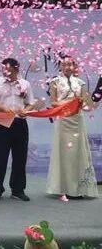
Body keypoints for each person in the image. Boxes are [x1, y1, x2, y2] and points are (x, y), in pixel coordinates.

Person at [0, 57, 36, 202]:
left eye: (8, 69)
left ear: (16, 69)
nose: (5, 72)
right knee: (1, 158)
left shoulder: (25, 84)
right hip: (3, 123)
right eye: (3, 69)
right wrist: (1, 108)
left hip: (20, 123)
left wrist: (26, 110)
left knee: (20, 158)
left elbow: (31, 102)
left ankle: (18, 190)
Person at [46, 56, 98, 198]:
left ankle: (78, 189)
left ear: (74, 66)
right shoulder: (55, 82)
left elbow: (86, 104)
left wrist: (82, 102)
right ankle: (64, 188)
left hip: (77, 121)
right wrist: (68, 104)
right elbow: (53, 102)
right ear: (60, 66)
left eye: (70, 64)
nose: (67, 67)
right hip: (63, 121)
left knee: (77, 153)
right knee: (64, 153)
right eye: (64, 64)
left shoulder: (80, 83)